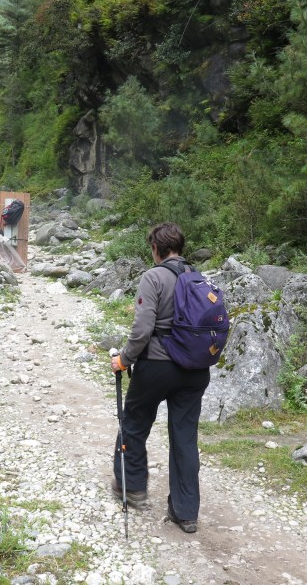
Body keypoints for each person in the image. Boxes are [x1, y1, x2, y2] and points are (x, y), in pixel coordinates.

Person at [109, 222, 210, 533]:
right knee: (185, 438)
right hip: (195, 370)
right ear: (180, 247)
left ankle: (133, 488)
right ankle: (186, 512)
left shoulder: (153, 277)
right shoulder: (200, 278)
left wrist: (123, 360)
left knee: (135, 423)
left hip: (157, 366)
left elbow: (142, 329)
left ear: (156, 248)